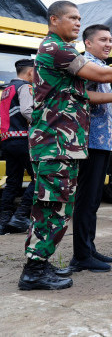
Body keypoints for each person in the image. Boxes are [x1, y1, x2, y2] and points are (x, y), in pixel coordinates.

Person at [20, 1, 112, 291]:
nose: (77, 23)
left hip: (63, 142)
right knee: (52, 206)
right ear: (54, 20)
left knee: (59, 205)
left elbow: (84, 96)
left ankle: (40, 263)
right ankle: (34, 270)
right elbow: (101, 75)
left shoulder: (60, 51)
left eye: (79, 18)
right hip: (55, 142)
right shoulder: (56, 49)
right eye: (72, 18)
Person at [70, 24, 112, 273]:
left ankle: (89, 247)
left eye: (110, 40)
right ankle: (80, 255)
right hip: (89, 141)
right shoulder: (85, 65)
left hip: (103, 142)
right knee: (86, 199)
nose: (108, 44)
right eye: (103, 40)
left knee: (94, 199)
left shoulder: (99, 65)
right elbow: (85, 98)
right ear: (88, 43)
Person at [0, 59, 36, 235]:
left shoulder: (7, 89)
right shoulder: (26, 87)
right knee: (39, 177)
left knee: (12, 181)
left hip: (7, 140)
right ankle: (21, 215)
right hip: (23, 139)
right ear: (30, 72)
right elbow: (26, 110)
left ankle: (4, 221)